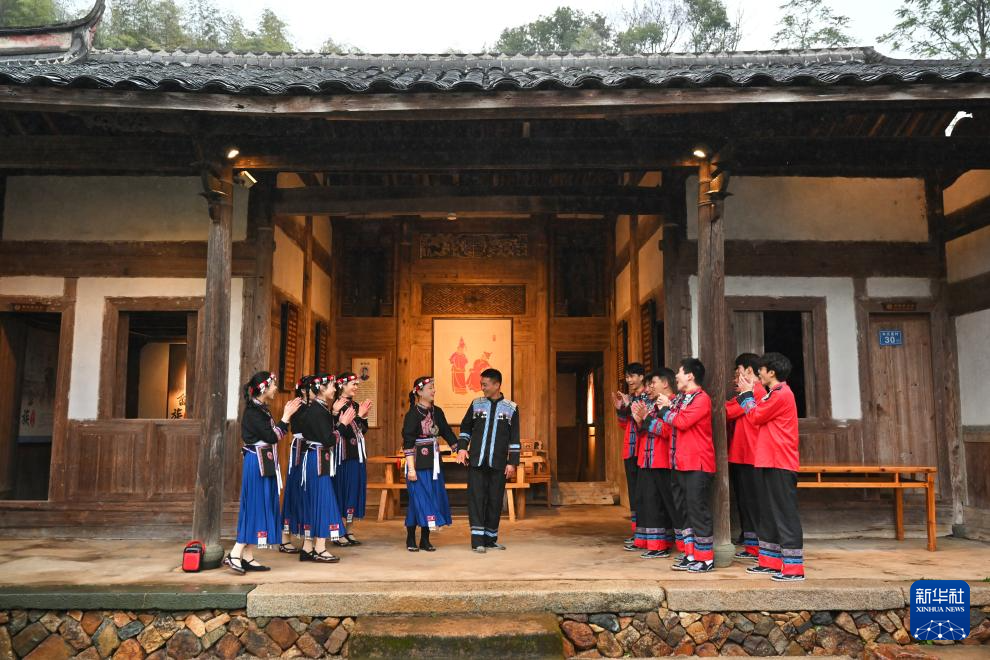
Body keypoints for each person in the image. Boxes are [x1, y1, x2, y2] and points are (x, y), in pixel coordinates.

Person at [736, 352, 805, 581]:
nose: (759, 374)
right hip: (768, 459)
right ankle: (770, 561)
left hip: (780, 461)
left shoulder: (781, 394)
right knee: (767, 513)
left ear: (772, 372)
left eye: (762, 370)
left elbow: (755, 416)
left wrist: (746, 393)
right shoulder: (772, 393)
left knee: (784, 514)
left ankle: (794, 568)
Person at [225, 371, 302, 574]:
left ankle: (247, 556)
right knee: (255, 505)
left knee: (259, 504)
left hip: (262, 462)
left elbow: (273, 435)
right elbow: (272, 437)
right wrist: (285, 417)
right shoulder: (253, 413)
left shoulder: (260, 409)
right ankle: (235, 553)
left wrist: (284, 419)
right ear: (263, 389)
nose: (276, 388)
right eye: (273, 385)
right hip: (257, 463)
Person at [654, 358, 716, 573]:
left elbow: (682, 422)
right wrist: (666, 407)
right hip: (679, 462)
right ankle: (690, 554)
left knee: (697, 511)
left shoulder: (702, 399)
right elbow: (673, 419)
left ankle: (705, 559)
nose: (676, 377)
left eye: (679, 372)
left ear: (690, 375)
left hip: (697, 463)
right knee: (684, 511)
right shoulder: (682, 398)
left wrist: (665, 409)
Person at [456, 368, 520, 553]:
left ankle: (490, 539)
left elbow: (514, 437)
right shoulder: (476, 404)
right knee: (476, 500)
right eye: (481, 384)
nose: (482, 387)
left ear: (496, 385)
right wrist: (462, 447)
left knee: (495, 501)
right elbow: (465, 428)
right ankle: (478, 541)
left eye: (485, 384)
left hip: (498, 463)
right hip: (476, 462)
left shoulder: (511, 408)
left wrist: (512, 462)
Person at [299, 373, 354, 563]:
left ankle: (307, 548)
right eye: (331, 386)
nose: (334, 389)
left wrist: (334, 416)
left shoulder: (318, 408)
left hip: (314, 458)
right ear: (321, 388)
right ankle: (320, 548)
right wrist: (343, 424)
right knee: (323, 501)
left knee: (314, 502)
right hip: (317, 459)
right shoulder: (319, 410)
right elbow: (329, 439)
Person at [402, 376, 456, 552]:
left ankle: (425, 539)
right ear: (419, 392)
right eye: (430, 388)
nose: (434, 390)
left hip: (434, 465)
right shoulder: (412, 415)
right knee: (417, 500)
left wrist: (459, 449)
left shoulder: (437, 412)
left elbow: (447, 432)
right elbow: (408, 443)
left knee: (432, 497)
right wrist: (411, 469)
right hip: (417, 465)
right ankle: (411, 537)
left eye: (434, 387)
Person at [630, 368, 678, 558]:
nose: (649, 388)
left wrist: (646, 418)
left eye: (653, 383)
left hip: (663, 460)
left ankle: (666, 545)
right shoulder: (653, 404)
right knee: (649, 502)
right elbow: (645, 430)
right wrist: (639, 421)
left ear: (665, 383)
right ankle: (655, 544)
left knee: (664, 504)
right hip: (647, 459)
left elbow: (668, 431)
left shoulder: (672, 403)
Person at [725, 353, 765, 562]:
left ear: (749, 370)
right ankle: (751, 546)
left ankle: (759, 547)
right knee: (745, 502)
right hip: (741, 454)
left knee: (754, 503)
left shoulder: (756, 392)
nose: (736, 377)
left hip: (752, 455)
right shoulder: (747, 392)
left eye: (738, 371)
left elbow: (728, 411)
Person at [612, 362, 649, 549]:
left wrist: (630, 405)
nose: (629, 380)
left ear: (642, 377)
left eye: (632, 376)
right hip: (630, 450)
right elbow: (624, 425)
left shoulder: (647, 397)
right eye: (627, 377)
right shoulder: (632, 397)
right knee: (634, 494)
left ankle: (645, 535)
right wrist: (621, 408)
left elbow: (646, 422)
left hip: (644, 452)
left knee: (643, 494)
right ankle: (637, 534)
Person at [333, 372, 373, 546]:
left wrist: (363, 416)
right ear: (342, 385)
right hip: (343, 455)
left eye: (357, 384)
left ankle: (349, 529)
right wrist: (358, 416)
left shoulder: (355, 405)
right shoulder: (336, 405)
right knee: (342, 490)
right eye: (353, 384)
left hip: (357, 453)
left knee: (354, 490)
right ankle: (338, 531)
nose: (356, 387)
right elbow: (345, 430)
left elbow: (362, 430)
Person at [278, 376, 312, 554]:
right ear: (305, 390)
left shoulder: (312, 405)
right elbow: (303, 428)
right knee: (295, 490)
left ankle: (305, 535)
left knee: (305, 492)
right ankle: (285, 537)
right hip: (300, 451)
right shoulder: (298, 406)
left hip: (309, 450)